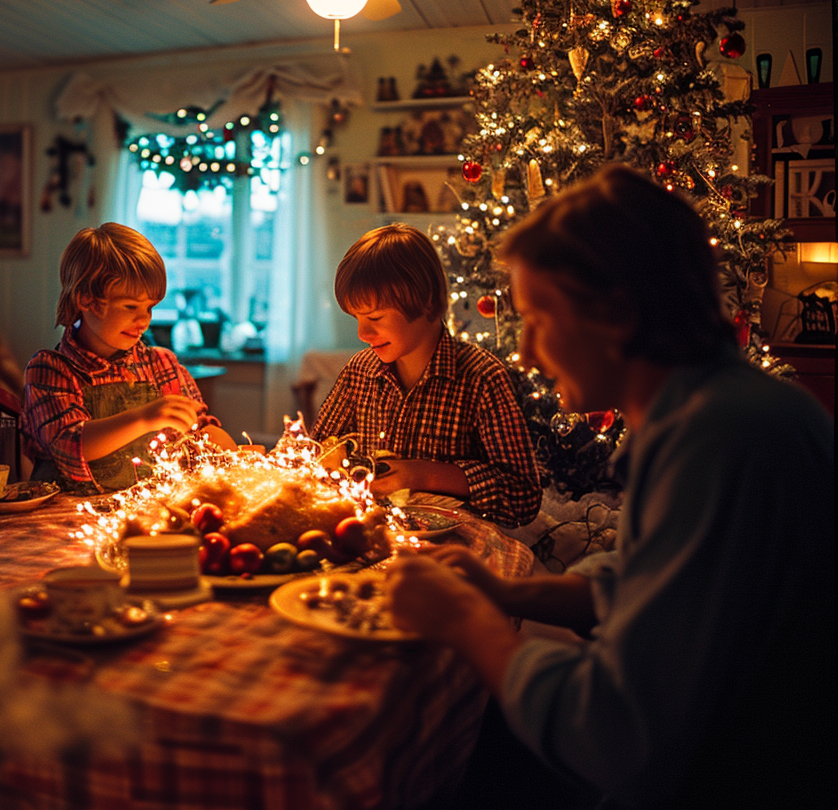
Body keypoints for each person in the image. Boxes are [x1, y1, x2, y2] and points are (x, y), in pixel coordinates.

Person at [387, 165, 835, 808]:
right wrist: (505, 591)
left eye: (539, 319)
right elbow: (643, 579)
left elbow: (617, 736)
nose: (528, 354)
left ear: (617, 313)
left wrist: (466, 619)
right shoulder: (707, 410)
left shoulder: (722, 439)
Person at [312, 223, 541, 527]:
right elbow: (313, 455)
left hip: (453, 549)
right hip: (369, 533)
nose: (362, 333)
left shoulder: (482, 378)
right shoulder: (360, 372)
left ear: (427, 301)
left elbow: (523, 497)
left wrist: (424, 474)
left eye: (375, 318)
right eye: (357, 318)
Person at [22, 222, 234, 492]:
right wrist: (144, 418)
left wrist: (229, 453)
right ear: (86, 300)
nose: (143, 320)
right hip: (65, 518)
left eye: (150, 307)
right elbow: (70, 443)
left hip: (144, 515)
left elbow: (200, 430)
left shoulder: (161, 365)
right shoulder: (50, 370)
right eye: (131, 306)